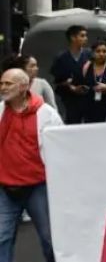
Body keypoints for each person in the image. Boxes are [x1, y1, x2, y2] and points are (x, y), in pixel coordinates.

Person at [0, 68, 62, 262]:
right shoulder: (0, 110)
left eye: (8, 83)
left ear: (23, 86)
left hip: (37, 186)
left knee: (50, 239)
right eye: (1, 83)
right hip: (5, 188)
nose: (3, 87)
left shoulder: (46, 114)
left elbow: (61, 146)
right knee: (2, 237)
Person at [50, 24, 90, 124]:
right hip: (70, 102)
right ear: (73, 37)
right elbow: (57, 82)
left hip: (89, 100)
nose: (85, 38)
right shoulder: (61, 58)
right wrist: (70, 87)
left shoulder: (90, 55)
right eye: (82, 35)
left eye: (86, 36)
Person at [79, 40, 106, 123]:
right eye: (98, 51)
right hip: (89, 113)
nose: (101, 54)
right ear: (93, 53)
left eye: (104, 51)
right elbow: (79, 86)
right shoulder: (86, 68)